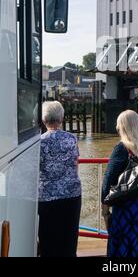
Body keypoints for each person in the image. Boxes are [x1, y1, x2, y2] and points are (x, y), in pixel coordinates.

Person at [102, 110, 138, 258]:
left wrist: (105, 208)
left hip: (129, 208)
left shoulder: (123, 148)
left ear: (122, 128)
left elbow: (108, 179)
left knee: (126, 249)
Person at [38, 101, 82, 258]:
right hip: (71, 195)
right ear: (62, 118)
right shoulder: (71, 139)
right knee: (68, 240)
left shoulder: (39, 142)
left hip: (46, 196)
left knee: (48, 240)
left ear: (44, 120)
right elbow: (75, 164)